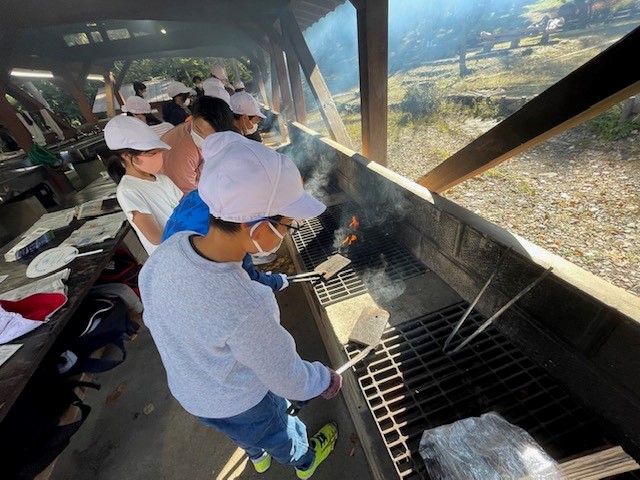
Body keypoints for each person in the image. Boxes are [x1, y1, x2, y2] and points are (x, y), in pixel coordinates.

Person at [139, 132, 341, 478]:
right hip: (242, 400)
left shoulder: (171, 250)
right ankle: (305, 462)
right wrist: (323, 380)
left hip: (193, 393)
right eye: (287, 227)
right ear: (260, 228)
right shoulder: (247, 304)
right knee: (278, 432)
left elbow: (160, 318)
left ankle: (256, 456)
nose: (287, 232)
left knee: (242, 434)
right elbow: (287, 378)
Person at [104, 116, 183, 255]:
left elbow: (186, 207)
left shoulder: (162, 179)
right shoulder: (128, 191)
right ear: (126, 156)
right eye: (152, 153)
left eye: (160, 152)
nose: (159, 157)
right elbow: (155, 237)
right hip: (171, 256)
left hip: (187, 245)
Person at [161, 96, 234, 194]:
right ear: (192, 118)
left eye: (210, 137)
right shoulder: (181, 153)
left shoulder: (194, 126)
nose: (203, 138)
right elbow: (189, 195)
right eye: (199, 131)